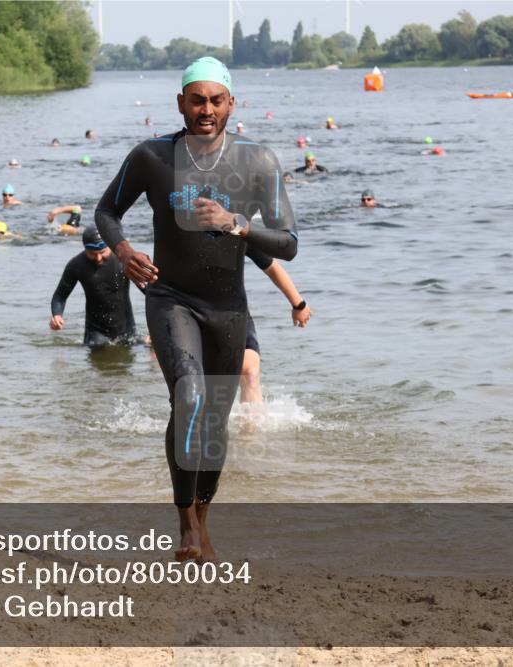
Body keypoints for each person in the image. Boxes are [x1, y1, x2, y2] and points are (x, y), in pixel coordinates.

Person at [95, 56, 297, 563]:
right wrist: (124, 251)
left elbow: (289, 242)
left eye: (216, 100)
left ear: (232, 103)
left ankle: (203, 519)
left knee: (214, 422)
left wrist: (239, 224)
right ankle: (185, 523)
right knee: (187, 395)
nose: (206, 109)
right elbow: (106, 211)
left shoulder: (259, 161)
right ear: (180, 102)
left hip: (228, 309)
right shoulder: (152, 156)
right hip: (171, 298)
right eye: (197, 99)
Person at [239, 247, 311, 403]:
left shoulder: (235, 229)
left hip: (233, 310)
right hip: (187, 312)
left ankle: (249, 427)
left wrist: (298, 304)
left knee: (250, 372)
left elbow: (271, 267)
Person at [50, 225, 138, 348]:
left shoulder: (124, 260)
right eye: (92, 253)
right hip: (96, 331)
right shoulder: (76, 265)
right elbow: (60, 296)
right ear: (85, 248)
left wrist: (155, 329)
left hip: (126, 328)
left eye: (102, 252)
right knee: (97, 359)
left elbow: (149, 291)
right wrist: (57, 315)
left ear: (109, 245)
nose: (98, 258)